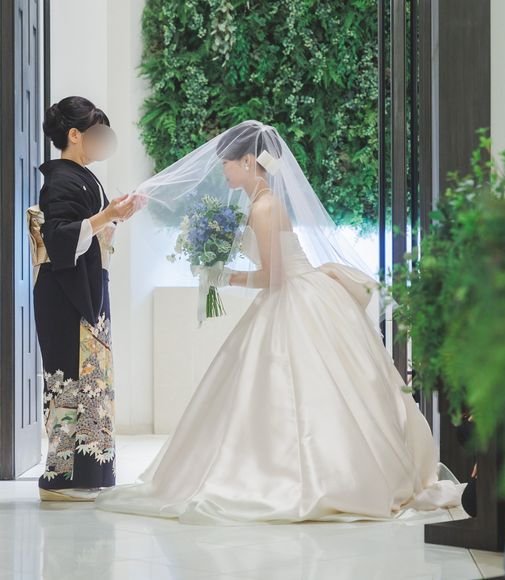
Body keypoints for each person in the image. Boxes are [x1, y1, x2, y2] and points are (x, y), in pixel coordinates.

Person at [96, 120, 463, 523]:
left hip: (295, 297)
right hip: (300, 296)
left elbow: (274, 277)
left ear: (248, 161)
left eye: (227, 163)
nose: (223, 171)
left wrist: (224, 276)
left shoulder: (264, 206)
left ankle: (304, 478)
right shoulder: (261, 202)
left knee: (298, 388)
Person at [32, 96, 141, 501]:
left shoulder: (82, 178)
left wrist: (115, 217)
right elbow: (59, 237)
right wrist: (106, 216)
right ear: (75, 135)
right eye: (96, 133)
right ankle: (60, 480)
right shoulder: (61, 180)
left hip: (85, 287)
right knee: (70, 383)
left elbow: (91, 234)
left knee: (91, 382)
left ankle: (87, 474)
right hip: (65, 295)